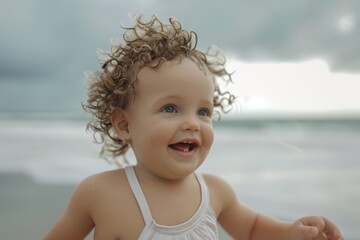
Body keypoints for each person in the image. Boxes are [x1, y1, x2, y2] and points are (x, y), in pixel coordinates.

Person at [43, 15, 344, 240]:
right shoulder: (100, 194)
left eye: (203, 111)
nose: (192, 123)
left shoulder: (215, 191)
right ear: (124, 124)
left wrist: (291, 231)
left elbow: (252, 229)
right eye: (170, 108)